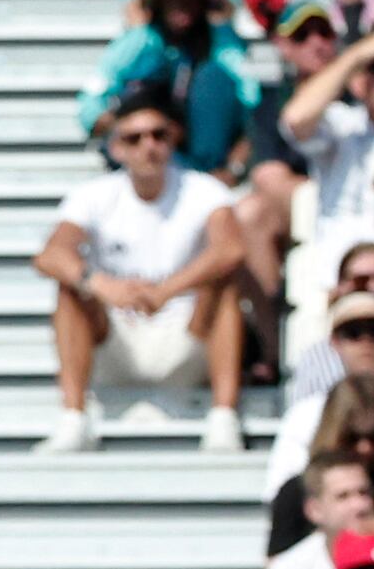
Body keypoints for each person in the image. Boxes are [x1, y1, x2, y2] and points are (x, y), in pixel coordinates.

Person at [38, 86, 253, 457]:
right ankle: (73, 417)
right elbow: (51, 255)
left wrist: (166, 290)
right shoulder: (94, 195)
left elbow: (231, 248)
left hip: (186, 336)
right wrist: (104, 285)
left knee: (226, 285)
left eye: (158, 134)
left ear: (173, 139)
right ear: (116, 148)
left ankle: (223, 417)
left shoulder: (204, 190)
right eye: (134, 138)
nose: (148, 146)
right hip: (118, 337)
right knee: (71, 287)